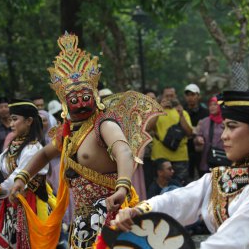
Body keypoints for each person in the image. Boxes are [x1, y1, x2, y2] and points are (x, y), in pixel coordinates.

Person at [9, 33, 149, 248]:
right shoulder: (68, 132)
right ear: (65, 103)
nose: (81, 103)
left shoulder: (104, 125)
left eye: (86, 97)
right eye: (74, 100)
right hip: (83, 218)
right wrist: (22, 177)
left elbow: (124, 152)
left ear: (95, 95)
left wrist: (122, 188)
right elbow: (46, 154)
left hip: (112, 212)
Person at [111, 90, 249, 248]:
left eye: (232, 127)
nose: (224, 135)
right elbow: (179, 200)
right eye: (224, 127)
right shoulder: (219, 178)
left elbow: (230, 241)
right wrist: (139, 211)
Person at [0, 99, 55, 248]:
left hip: (31, 204)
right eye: (11, 120)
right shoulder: (14, 147)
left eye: (15, 119)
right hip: (12, 203)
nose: (11, 124)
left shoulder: (33, 149)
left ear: (29, 121)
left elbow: (14, 180)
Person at [149, 95, 193, 185]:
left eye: (171, 96)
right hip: (160, 157)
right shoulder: (155, 112)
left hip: (180, 158)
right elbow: (148, 128)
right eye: (166, 96)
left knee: (182, 187)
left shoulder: (183, 112)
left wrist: (181, 115)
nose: (169, 99)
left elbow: (189, 133)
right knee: (160, 188)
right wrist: (158, 110)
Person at [183, 84, 209, 180]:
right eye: (188, 95)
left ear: (198, 96)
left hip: (201, 150)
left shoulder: (205, 112)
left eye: (193, 95)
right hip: (185, 149)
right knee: (187, 178)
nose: (190, 98)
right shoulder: (182, 111)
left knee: (202, 176)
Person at [194, 96, 225, 176]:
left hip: (223, 159)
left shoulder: (226, 121)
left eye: (215, 104)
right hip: (207, 160)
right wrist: (199, 139)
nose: (212, 107)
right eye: (210, 105)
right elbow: (197, 136)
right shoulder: (204, 122)